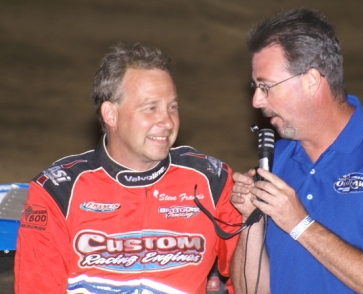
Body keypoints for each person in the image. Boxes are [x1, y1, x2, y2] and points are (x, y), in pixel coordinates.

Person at [230, 8, 363, 294]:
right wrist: (250, 222)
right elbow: (250, 291)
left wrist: (299, 224)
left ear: (311, 81)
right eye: (255, 86)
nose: (256, 100)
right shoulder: (279, 160)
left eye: (266, 87)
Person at [14, 43, 241, 294]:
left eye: (172, 107)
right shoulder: (58, 191)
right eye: (150, 108)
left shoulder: (212, 181)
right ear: (111, 114)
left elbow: (252, 282)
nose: (167, 122)